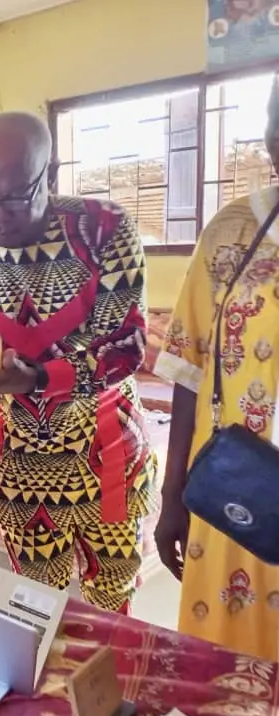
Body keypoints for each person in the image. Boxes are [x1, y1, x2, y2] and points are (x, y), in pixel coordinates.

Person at [0, 112, 156, 614]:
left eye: (13, 198)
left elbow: (124, 348)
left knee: (111, 602)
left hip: (106, 454)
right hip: (20, 465)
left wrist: (37, 377)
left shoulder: (103, 229)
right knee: (34, 606)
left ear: (48, 174)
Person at [154, 78, 279, 660]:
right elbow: (188, 368)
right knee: (227, 673)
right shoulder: (232, 233)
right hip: (239, 492)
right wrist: (173, 494)